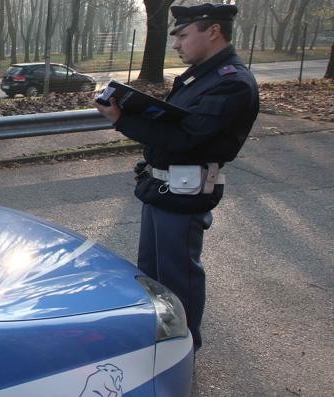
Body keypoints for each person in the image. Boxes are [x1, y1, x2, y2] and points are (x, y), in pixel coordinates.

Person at [92, 3, 259, 350]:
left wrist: (121, 118)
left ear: (212, 31)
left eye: (183, 35)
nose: (177, 44)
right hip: (162, 187)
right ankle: (160, 340)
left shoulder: (232, 83)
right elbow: (175, 123)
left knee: (177, 278)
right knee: (152, 274)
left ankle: (182, 349)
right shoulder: (202, 75)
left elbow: (186, 138)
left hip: (184, 193)